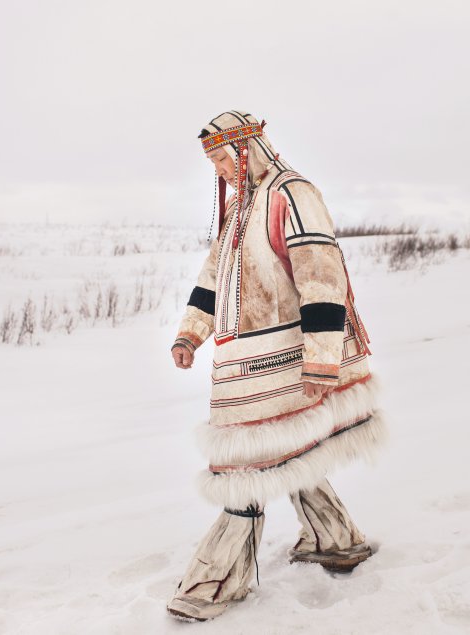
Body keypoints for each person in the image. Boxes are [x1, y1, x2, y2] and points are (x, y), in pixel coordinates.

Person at [166, 110, 387, 622]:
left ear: (248, 149)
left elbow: (321, 276)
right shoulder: (240, 208)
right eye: (213, 163)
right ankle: (335, 539)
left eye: (224, 158)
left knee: (245, 466)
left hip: (287, 356)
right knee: (283, 450)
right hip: (242, 362)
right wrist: (190, 333)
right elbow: (213, 277)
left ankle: (216, 580)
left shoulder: (292, 194)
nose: (220, 170)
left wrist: (322, 359)